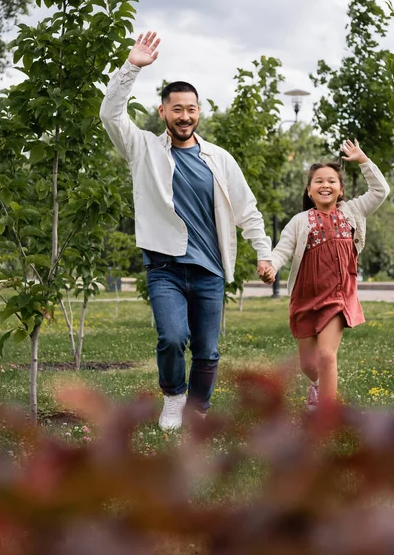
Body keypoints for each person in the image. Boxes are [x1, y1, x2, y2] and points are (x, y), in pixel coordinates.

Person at [100, 31, 274, 430]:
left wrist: (263, 252)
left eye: (191, 109)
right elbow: (111, 114)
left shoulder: (220, 159)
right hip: (165, 268)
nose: (184, 116)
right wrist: (131, 68)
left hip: (210, 271)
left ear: (199, 113)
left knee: (208, 351)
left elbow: (248, 210)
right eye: (176, 109)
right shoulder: (143, 149)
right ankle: (174, 397)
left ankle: (198, 410)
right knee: (174, 338)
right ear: (163, 112)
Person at [269, 140, 390, 410]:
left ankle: (326, 416)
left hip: (338, 296)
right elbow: (282, 250)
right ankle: (317, 386)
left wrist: (363, 160)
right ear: (309, 191)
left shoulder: (353, 212)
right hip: (305, 298)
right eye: (318, 181)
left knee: (326, 356)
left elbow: (381, 191)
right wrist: (270, 267)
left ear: (341, 189)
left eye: (332, 181)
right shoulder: (300, 222)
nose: (325, 185)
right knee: (309, 365)